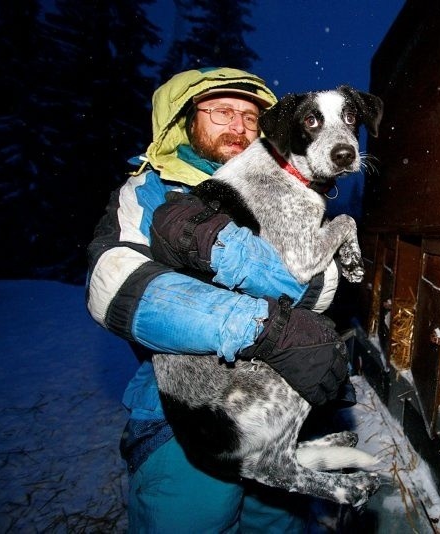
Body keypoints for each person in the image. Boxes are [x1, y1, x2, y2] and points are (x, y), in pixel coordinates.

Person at [85, 67, 352, 533]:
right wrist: (261, 325)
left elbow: (321, 286)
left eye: (251, 118)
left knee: (280, 524)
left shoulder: (284, 189)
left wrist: (244, 262)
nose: (239, 128)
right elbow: (116, 287)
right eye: (222, 113)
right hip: (186, 417)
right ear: (185, 121)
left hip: (276, 400)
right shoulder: (151, 191)